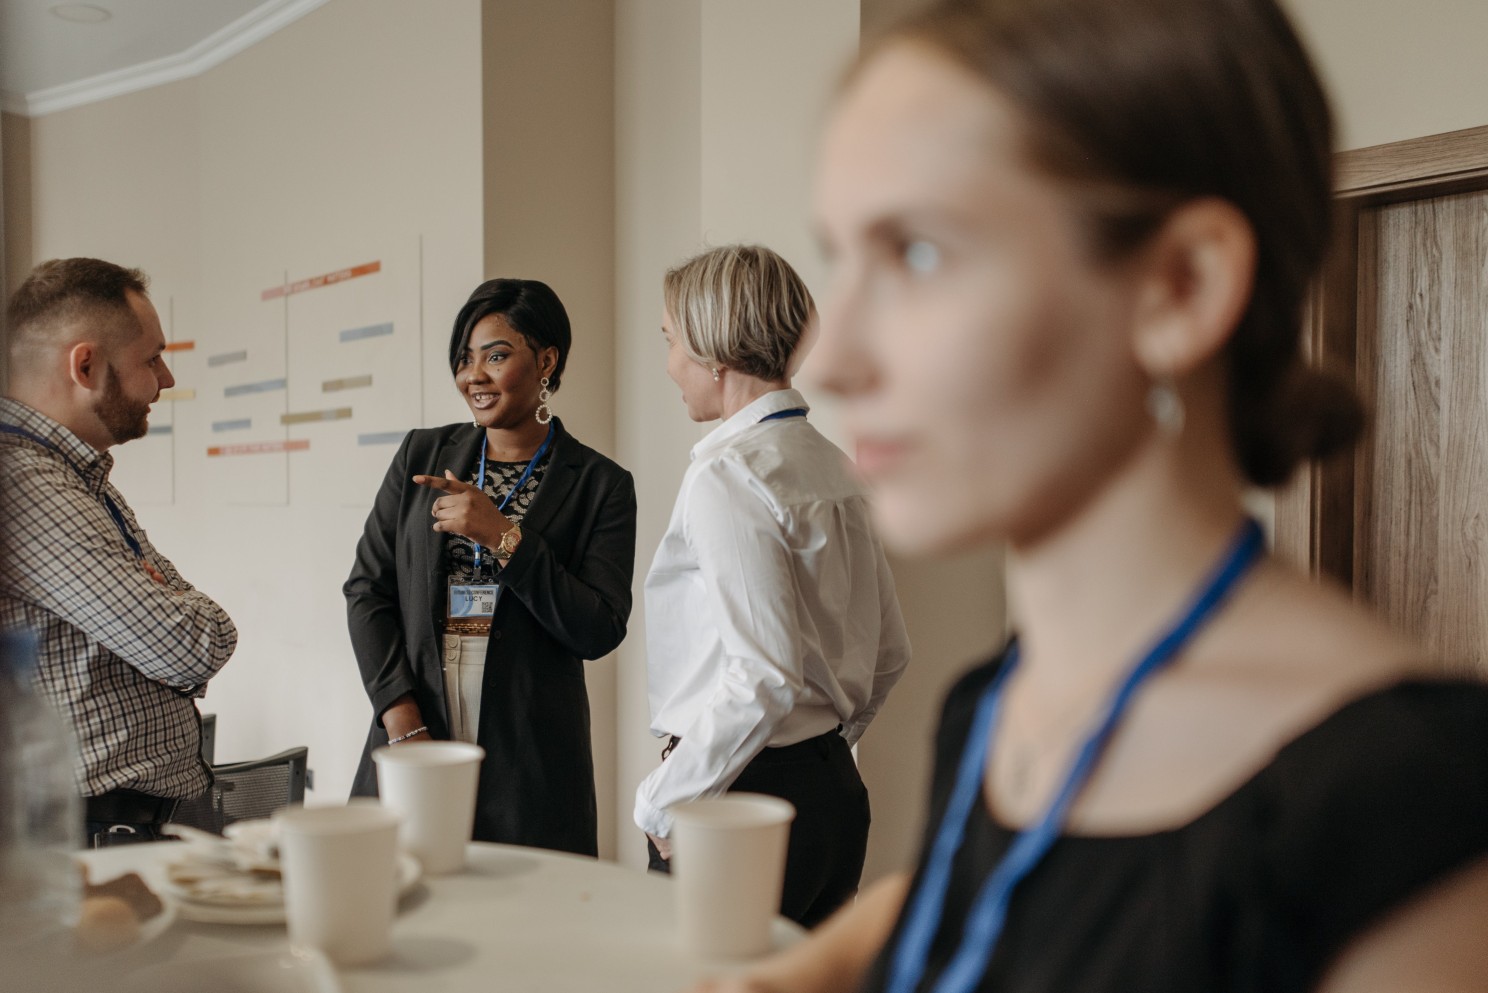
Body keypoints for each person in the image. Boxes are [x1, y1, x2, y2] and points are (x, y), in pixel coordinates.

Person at [691, 0, 1488, 990]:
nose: (840, 357)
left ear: (1180, 288)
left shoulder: (1412, 808)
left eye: (920, 254)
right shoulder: (997, 702)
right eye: (844, 259)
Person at [636, 244, 911, 927]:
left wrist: (659, 798)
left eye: (671, 341)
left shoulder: (728, 475)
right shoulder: (837, 467)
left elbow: (765, 673)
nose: (670, 363)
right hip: (833, 795)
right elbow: (890, 652)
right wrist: (820, 753)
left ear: (714, 351)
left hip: (731, 798)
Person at [346, 277, 636, 857]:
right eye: (464, 359)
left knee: (523, 922)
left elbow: (599, 627)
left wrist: (504, 536)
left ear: (546, 361)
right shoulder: (421, 454)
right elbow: (367, 591)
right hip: (417, 717)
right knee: (404, 907)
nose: (473, 376)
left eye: (496, 356)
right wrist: (402, 720)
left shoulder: (601, 484)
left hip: (532, 749)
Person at [0, 258, 238, 847]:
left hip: (106, 822)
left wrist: (158, 595)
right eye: (152, 357)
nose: (166, 378)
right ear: (86, 365)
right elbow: (189, 644)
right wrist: (167, 595)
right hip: (83, 832)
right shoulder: (28, 485)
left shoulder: (74, 474)